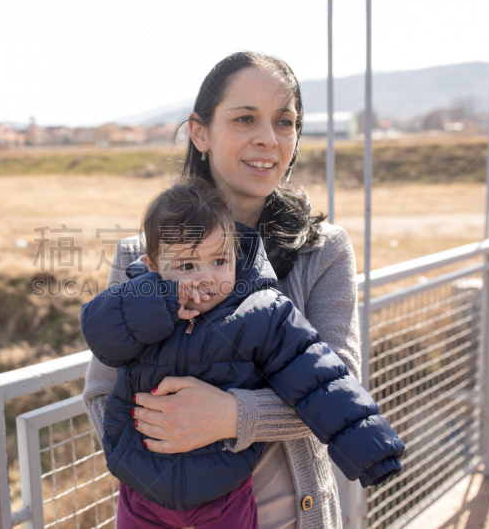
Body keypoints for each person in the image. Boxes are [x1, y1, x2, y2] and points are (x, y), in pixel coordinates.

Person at [83, 51, 364, 529]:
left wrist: (231, 415)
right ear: (200, 132)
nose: (268, 139)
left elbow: (342, 386)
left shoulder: (325, 250)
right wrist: (166, 473)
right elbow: (100, 395)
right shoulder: (140, 254)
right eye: (245, 118)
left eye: (285, 121)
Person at [80, 179, 404, 529]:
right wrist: (157, 301)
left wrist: (369, 450)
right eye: (188, 266)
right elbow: (100, 334)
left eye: (220, 261)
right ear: (153, 266)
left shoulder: (261, 313)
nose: (207, 279)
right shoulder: (139, 301)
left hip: (225, 490)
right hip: (143, 490)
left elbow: (320, 379)